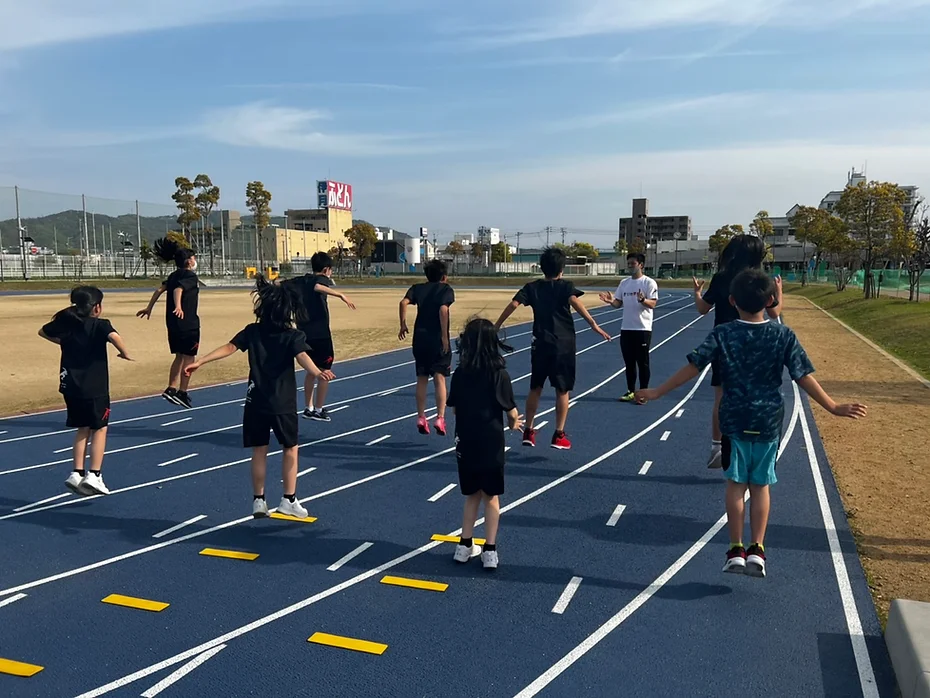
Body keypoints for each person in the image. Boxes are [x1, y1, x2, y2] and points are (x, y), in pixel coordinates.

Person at [635, 269, 867, 578]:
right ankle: (758, 548)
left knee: (735, 485)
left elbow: (694, 366)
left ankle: (735, 549)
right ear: (771, 300)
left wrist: (658, 391)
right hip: (768, 421)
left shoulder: (724, 333)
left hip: (734, 420)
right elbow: (802, 375)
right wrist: (833, 406)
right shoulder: (783, 335)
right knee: (760, 486)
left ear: (731, 301)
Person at [186, 276, 336, 519]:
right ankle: (288, 499)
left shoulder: (252, 331)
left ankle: (258, 500)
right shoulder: (292, 336)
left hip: (255, 400)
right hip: (282, 401)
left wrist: (201, 361)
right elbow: (302, 358)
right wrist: (318, 372)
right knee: (290, 448)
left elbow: (229, 347)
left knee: (259, 450)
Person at [494, 247, 611, 450]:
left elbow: (513, 305)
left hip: (540, 343)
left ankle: (529, 431)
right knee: (562, 390)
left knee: (535, 387)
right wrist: (594, 325)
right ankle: (559, 434)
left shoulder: (532, 287)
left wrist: (496, 326)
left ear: (542, 267)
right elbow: (575, 302)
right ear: (562, 269)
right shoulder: (566, 287)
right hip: (563, 344)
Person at [692, 234, 783, 468]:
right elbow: (774, 313)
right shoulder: (762, 280)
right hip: (755, 346)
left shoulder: (722, 278)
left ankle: (717, 447)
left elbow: (703, 309)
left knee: (721, 398)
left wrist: (697, 293)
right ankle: (751, 446)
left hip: (725, 346)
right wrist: (779, 293)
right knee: (753, 396)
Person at [39, 286, 133, 496]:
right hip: (95, 387)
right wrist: (125, 353)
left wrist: (63, 342)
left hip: (70, 386)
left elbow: (43, 331)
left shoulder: (67, 324)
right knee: (100, 428)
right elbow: (114, 337)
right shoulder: (100, 325)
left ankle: (76, 472)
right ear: (97, 307)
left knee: (82, 428)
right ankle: (95, 474)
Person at [447, 318, 523, 570]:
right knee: (491, 497)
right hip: (490, 440)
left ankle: (464, 545)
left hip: (465, 439)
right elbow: (510, 410)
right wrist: (514, 423)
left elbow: (455, 409)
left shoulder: (460, 374)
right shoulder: (499, 374)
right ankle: (489, 550)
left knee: (471, 496)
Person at [286, 251, 356, 422]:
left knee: (311, 371)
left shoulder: (299, 280)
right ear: (326, 270)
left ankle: (308, 408)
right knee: (324, 371)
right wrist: (340, 295)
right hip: (320, 334)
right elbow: (318, 287)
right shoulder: (321, 280)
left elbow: (279, 283)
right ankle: (318, 409)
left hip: (303, 333)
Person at [136, 237, 201, 409]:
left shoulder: (173, 275)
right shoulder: (189, 276)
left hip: (172, 324)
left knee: (179, 356)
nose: (195, 261)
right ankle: (182, 392)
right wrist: (179, 306)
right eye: (194, 258)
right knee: (189, 358)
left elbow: (159, 290)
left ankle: (171, 388)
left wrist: (149, 307)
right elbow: (179, 289)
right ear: (188, 261)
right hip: (187, 324)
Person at [399, 259, 455, 435]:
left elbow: (403, 302)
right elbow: (443, 310)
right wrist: (445, 337)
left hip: (420, 339)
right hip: (436, 339)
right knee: (440, 378)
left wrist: (403, 324)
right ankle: (439, 417)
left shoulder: (418, 288)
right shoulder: (446, 290)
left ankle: (421, 417)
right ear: (444, 277)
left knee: (421, 378)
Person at [598, 252, 659, 402]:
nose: (630, 266)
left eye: (633, 263)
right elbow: (618, 303)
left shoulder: (648, 283)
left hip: (642, 329)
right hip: (626, 329)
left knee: (643, 362)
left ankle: (643, 392)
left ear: (641, 265)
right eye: (629, 263)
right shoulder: (624, 283)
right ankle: (631, 391)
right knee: (629, 363)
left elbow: (653, 304)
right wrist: (610, 301)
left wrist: (643, 300)